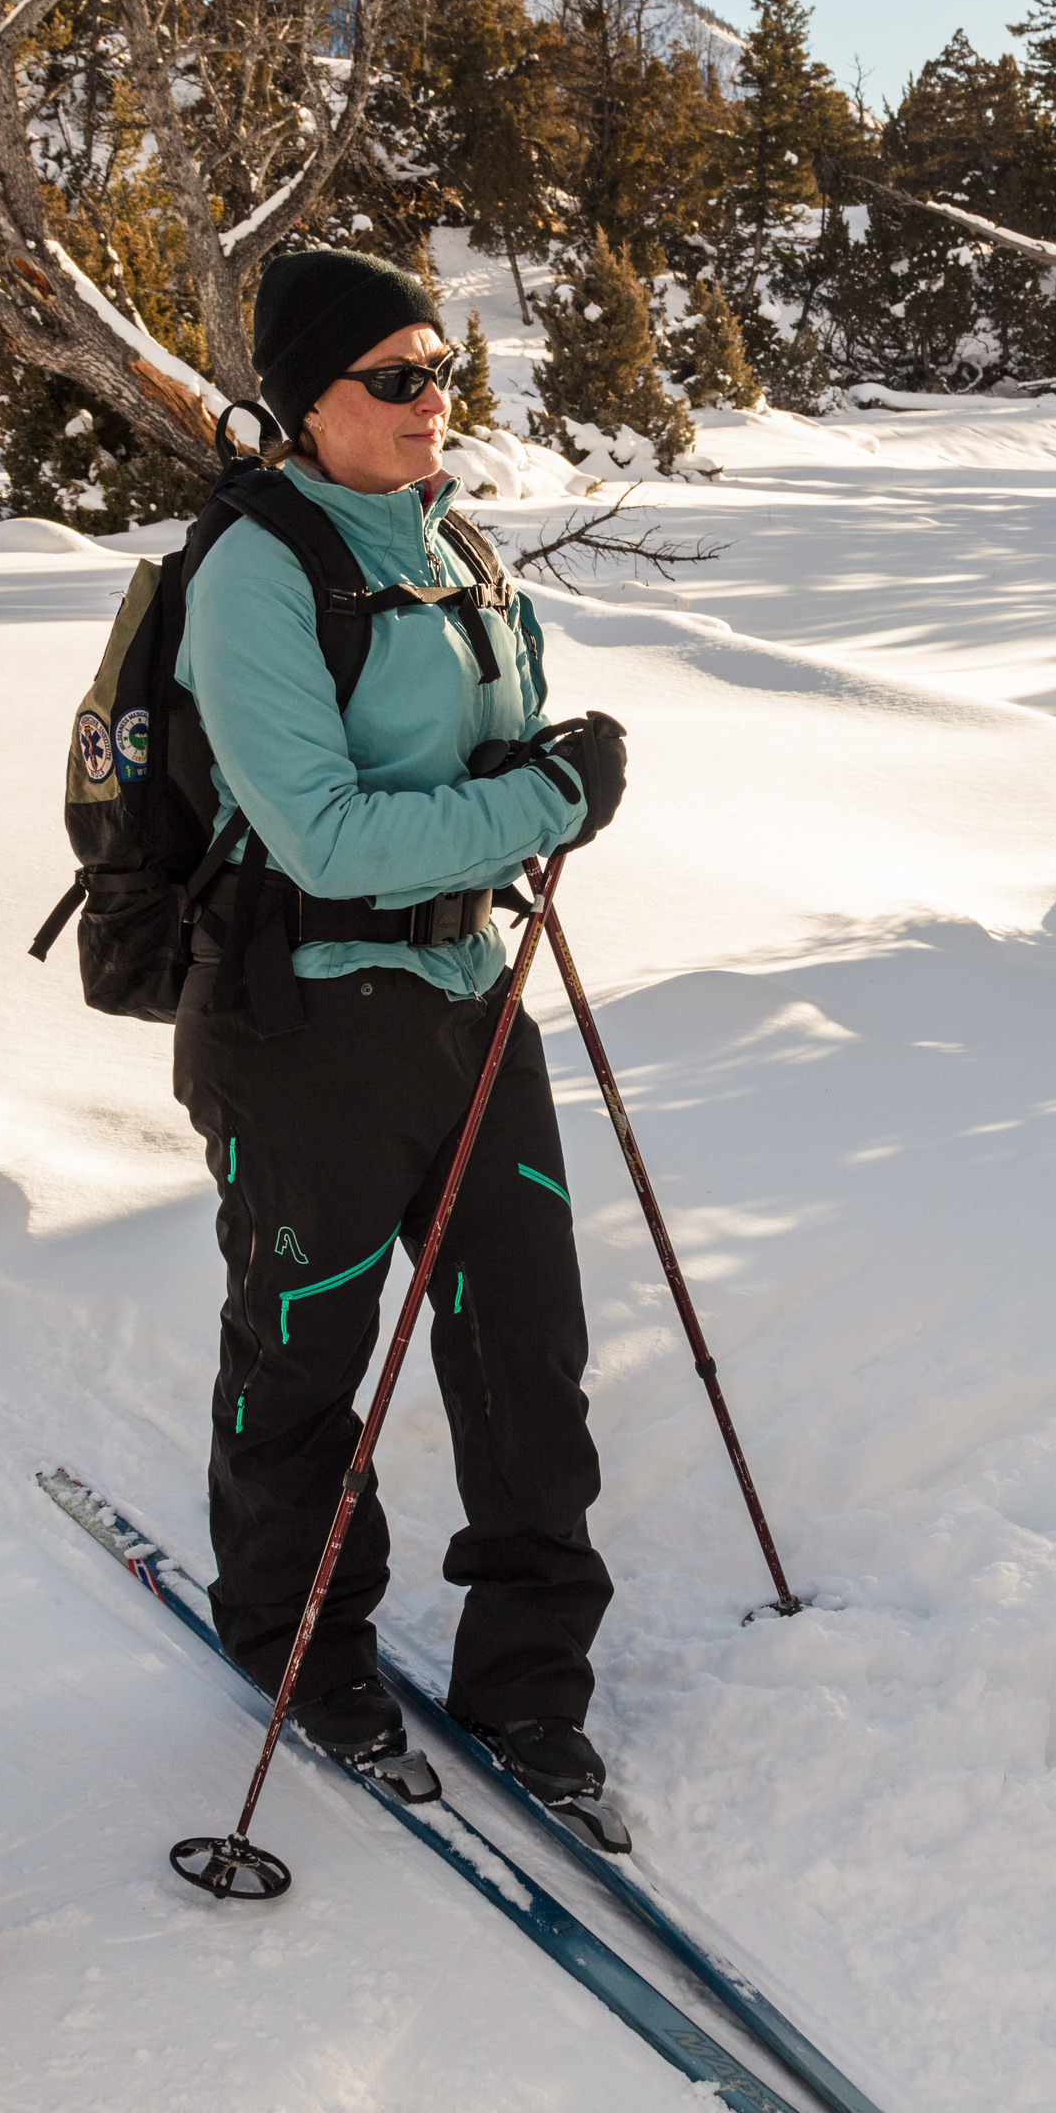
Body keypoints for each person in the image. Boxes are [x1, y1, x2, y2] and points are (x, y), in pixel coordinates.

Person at [172, 246, 631, 1829]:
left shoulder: (465, 555)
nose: (436, 399)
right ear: (307, 402)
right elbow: (319, 833)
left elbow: (482, 780)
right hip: (304, 1016)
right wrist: (551, 797)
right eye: (397, 376)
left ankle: (532, 1682)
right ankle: (307, 1647)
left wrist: (549, 763)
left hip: (467, 993)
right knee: (304, 1351)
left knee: (530, 1349)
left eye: (444, 370)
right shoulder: (254, 570)